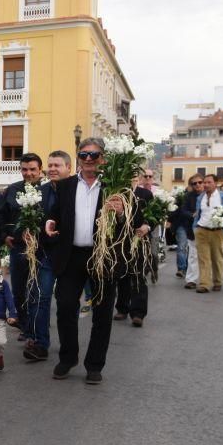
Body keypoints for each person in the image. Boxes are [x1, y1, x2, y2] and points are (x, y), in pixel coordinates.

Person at [44, 137, 142, 384]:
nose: (88, 160)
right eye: (83, 154)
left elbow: (131, 224)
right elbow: (55, 213)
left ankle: (95, 364)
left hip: (102, 257)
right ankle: (68, 358)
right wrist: (50, 222)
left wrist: (120, 213)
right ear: (78, 158)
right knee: (65, 306)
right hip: (71, 256)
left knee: (102, 312)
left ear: (104, 158)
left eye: (94, 155)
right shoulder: (65, 185)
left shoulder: (116, 186)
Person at [23, 150, 71, 361]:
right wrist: (28, 230)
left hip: (70, 254)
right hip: (45, 253)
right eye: (50, 165)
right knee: (40, 298)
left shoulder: (76, 189)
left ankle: (69, 348)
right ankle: (40, 343)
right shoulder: (39, 191)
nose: (52, 169)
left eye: (57, 165)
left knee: (67, 302)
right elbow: (31, 220)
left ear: (68, 168)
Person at [0, 152, 44, 343]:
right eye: (24, 169)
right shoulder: (12, 190)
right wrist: (4, 236)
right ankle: (25, 326)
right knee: (18, 289)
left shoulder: (48, 190)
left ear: (40, 170)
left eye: (32, 169)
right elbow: (1, 217)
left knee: (38, 290)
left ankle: (36, 327)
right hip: (18, 248)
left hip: (42, 249)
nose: (28, 173)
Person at [113, 179, 153, 327]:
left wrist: (147, 226)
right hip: (122, 239)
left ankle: (138, 313)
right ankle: (122, 308)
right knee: (122, 274)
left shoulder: (146, 194)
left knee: (138, 274)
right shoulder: (119, 191)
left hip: (140, 239)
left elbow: (153, 214)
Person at [193, 174, 223, 293]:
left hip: (218, 231)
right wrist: (195, 227)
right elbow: (199, 212)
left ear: (215, 183)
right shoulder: (200, 197)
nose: (206, 185)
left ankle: (218, 282)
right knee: (203, 259)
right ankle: (204, 284)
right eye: (204, 182)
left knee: (217, 258)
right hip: (201, 230)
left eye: (209, 182)